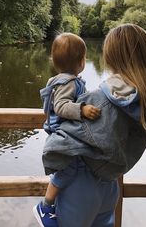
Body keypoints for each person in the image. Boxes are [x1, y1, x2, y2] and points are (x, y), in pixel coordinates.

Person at [40, 24, 146, 227]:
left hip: (80, 186)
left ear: (111, 56)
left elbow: (58, 144)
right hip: (110, 185)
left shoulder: (100, 100)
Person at [33, 32, 101, 227]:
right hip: (63, 133)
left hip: (64, 130)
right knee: (68, 169)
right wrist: (82, 109)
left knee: (72, 165)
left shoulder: (62, 80)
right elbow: (61, 106)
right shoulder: (68, 82)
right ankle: (45, 205)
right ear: (81, 62)